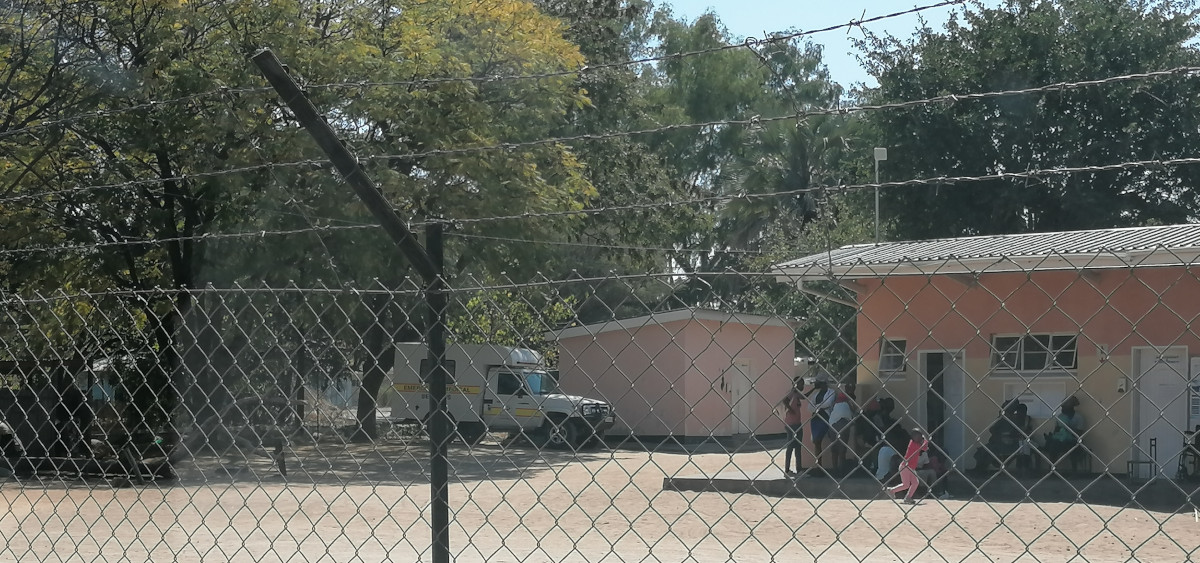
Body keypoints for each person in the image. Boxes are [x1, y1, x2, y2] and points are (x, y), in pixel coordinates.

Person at [887, 428, 930, 505]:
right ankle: (895, 492)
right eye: (916, 436)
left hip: (910, 467)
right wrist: (925, 439)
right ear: (912, 437)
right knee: (907, 484)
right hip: (905, 466)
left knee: (913, 483)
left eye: (919, 436)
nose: (918, 438)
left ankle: (902, 495)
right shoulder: (913, 444)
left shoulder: (917, 443)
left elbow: (925, 448)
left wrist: (923, 439)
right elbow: (925, 447)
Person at [777, 377, 808, 476]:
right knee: (790, 447)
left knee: (798, 447)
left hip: (797, 423)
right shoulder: (791, 394)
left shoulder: (797, 394)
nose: (802, 386)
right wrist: (791, 410)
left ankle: (799, 469)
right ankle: (787, 470)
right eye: (801, 384)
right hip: (791, 424)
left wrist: (814, 389)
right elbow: (785, 401)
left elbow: (804, 397)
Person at [1044, 396, 1085, 469]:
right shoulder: (1060, 417)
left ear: (1071, 408)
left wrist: (1068, 428)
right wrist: (1058, 430)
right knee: (1053, 445)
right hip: (1061, 439)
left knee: (1073, 448)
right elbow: (1056, 431)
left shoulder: (1079, 417)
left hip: (1073, 439)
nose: (1062, 409)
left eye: (1064, 407)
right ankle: (1052, 469)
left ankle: (1074, 471)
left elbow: (1079, 433)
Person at [828, 381, 858, 473]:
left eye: (852, 388)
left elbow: (853, 408)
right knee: (835, 449)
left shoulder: (852, 397)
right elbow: (853, 408)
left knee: (842, 449)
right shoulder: (843, 396)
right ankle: (835, 469)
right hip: (835, 422)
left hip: (843, 422)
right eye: (848, 387)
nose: (849, 389)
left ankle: (841, 469)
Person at [808, 372, 836, 470]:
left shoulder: (831, 392)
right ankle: (819, 466)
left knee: (819, 440)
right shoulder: (816, 394)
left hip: (825, 418)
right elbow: (809, 407)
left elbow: (828, 403)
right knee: (816, 442)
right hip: (815, 419)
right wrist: (819, 407)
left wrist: (816, 406)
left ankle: (824, 466)